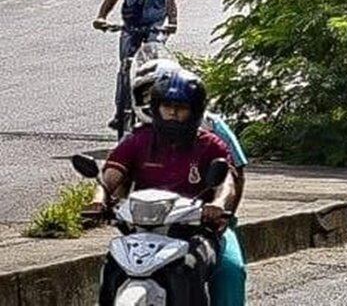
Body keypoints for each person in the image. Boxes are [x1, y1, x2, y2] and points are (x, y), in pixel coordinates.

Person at [90, 69, 244, 303]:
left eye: (181, 108)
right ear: (156, 108)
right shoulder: (136, 140)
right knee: (112, 266)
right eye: (167, 106)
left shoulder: (211, 145)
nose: (172, 112)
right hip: (142, 230)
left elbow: (226, 183)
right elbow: (111, 176)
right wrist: (99, 198)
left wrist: (218, 204)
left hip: (199, 229)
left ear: (195, 111)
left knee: (229, 271)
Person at [94, 0, 177, 131]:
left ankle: (154, 110)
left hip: (154, 26)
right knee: (125, 67)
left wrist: (172, 22)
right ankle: (120, 111)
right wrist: (101, 16)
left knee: (153, 67)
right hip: (130, 25)